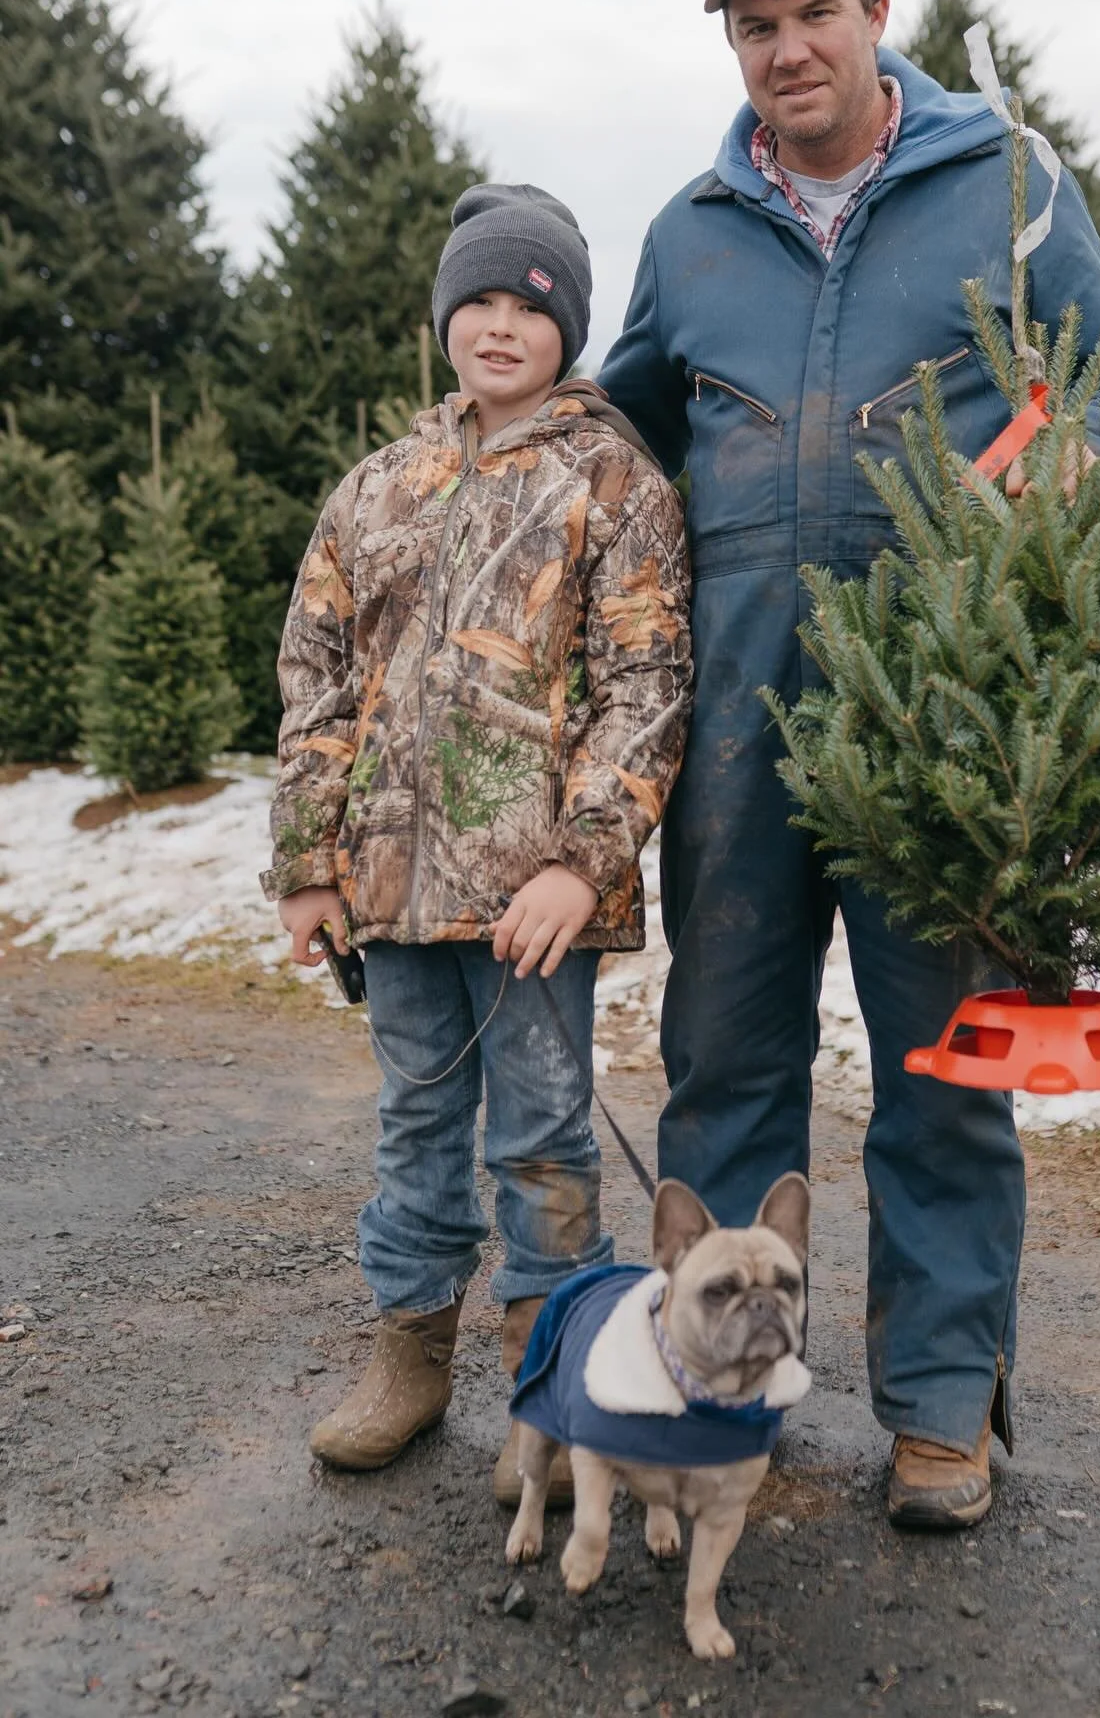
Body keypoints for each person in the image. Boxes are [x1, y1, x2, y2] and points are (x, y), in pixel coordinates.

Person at [598, 0, 1100, 1528]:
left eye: (812, 11)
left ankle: (936, 1411)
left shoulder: (1000, 183)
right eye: (754, 23)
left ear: (874, 5)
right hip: (737, 733)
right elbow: (619, 444)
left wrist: (1053, 478)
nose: (787, 47)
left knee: (945, 1066)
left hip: (944, 727)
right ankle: (719, 1401)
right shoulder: (693, 230)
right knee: (723, 1063)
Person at [263, 184, 692, 1503]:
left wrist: (584, 860)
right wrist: (307, 863)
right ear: (447, 315)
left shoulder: (610, 480)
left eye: (533, 304)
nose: (503, 326)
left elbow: (650, 682)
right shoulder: (380, 487)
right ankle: (408, 1353)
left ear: (567, 325)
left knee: (546, 1136)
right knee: (415, 1123)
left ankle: (550, 1377)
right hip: (389, 892)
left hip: (533, 900)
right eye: (481, 301)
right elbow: (317, 679)